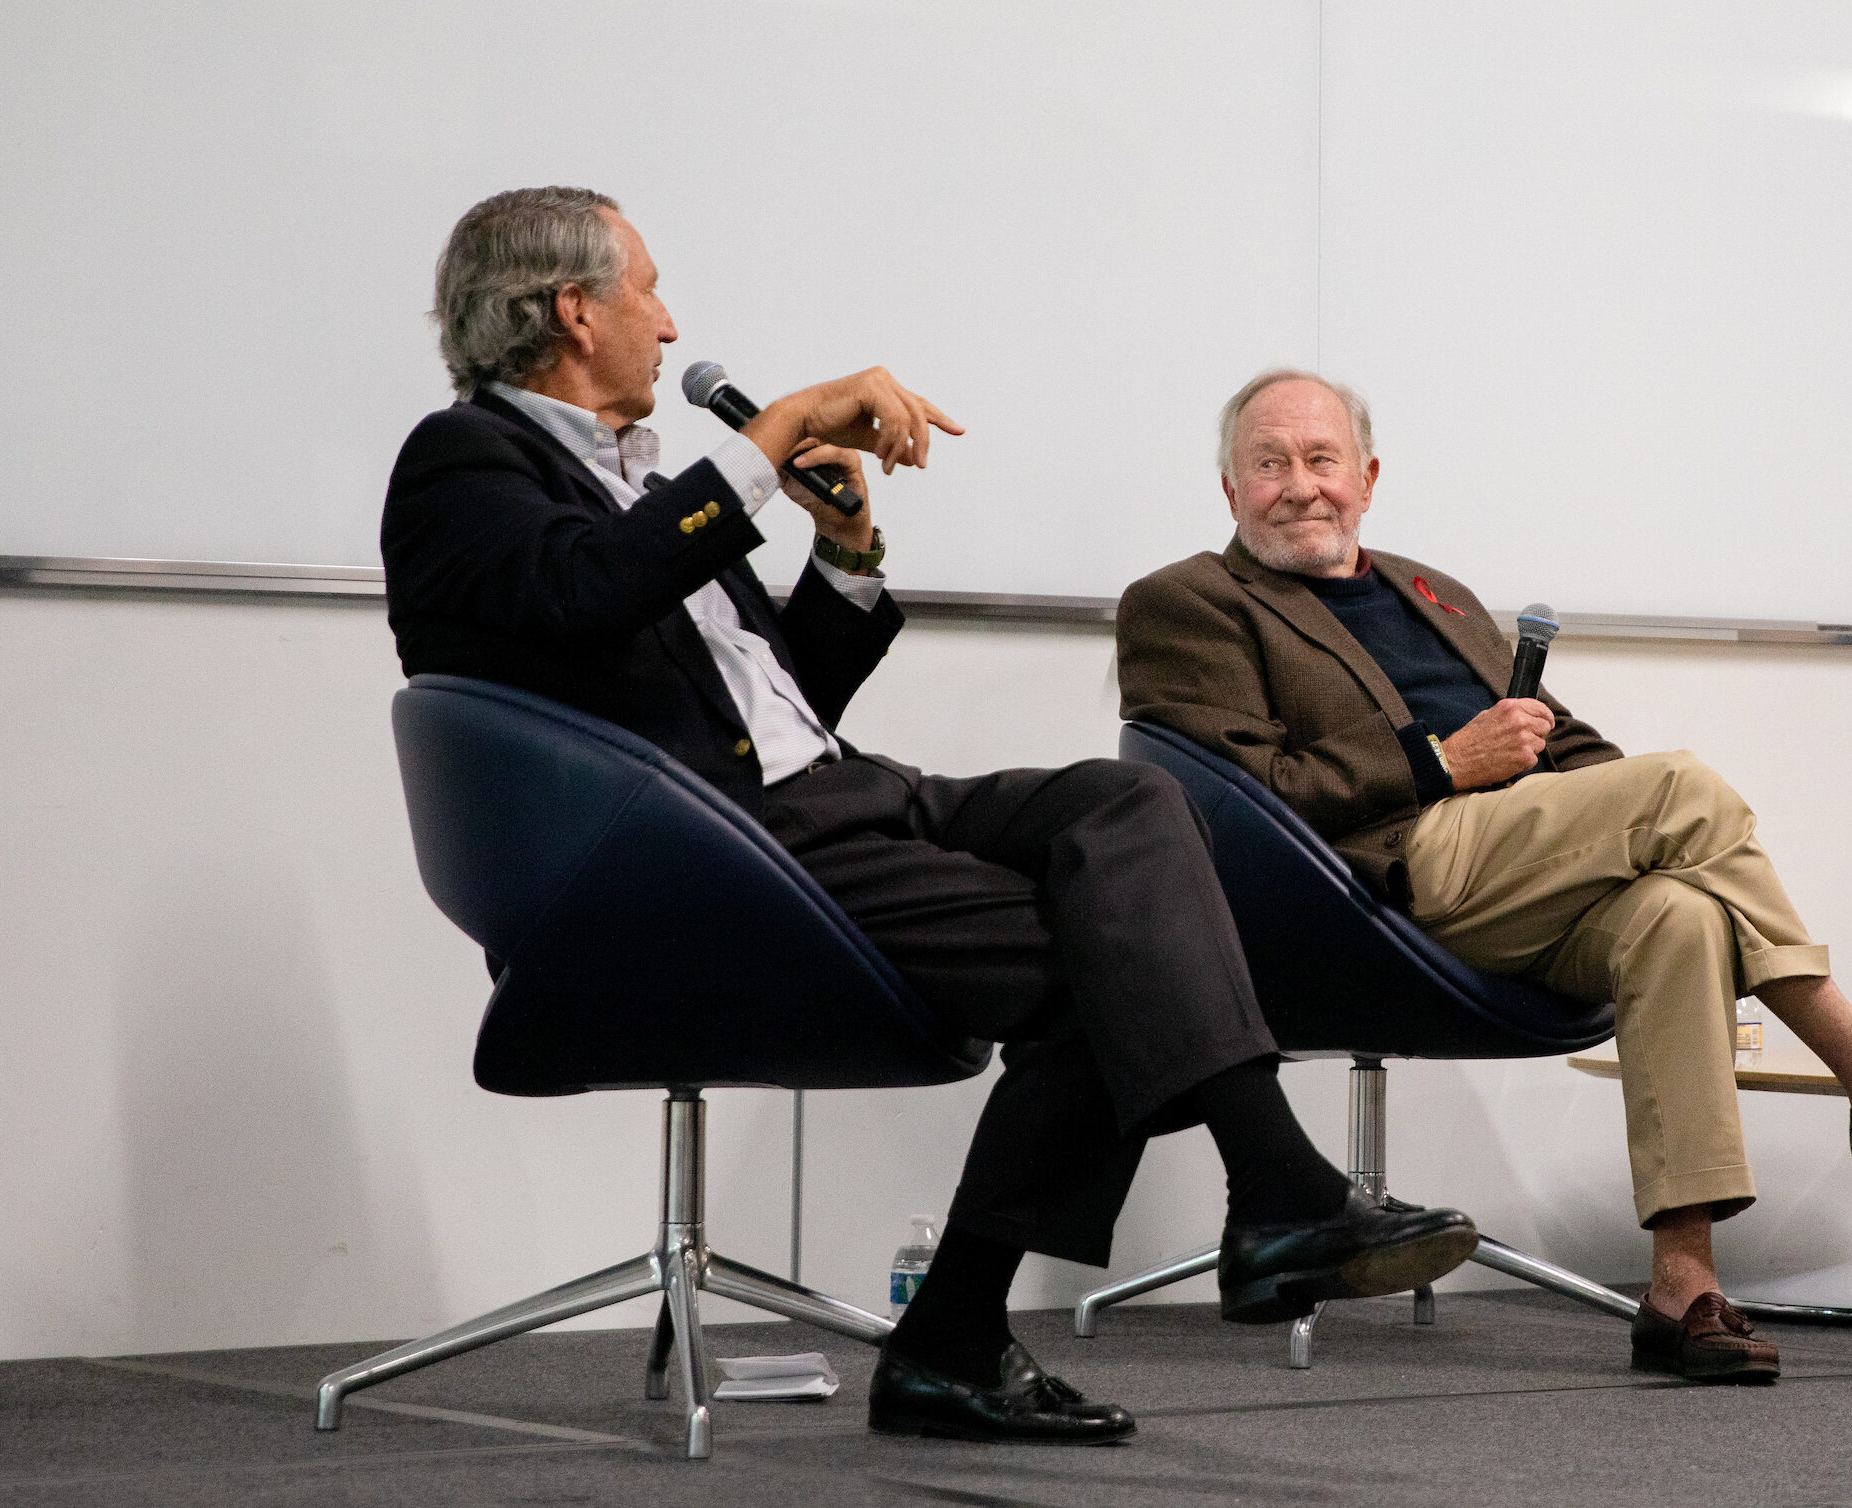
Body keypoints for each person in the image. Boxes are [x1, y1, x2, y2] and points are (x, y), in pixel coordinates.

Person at [383, 195, 1483, 1444]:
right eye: (647, 289)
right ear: (575, 310)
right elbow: (586, 597)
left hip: (828, 800)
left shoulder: (642, 484)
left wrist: (845, 551)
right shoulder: (463, 461)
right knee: (1102, 955)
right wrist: (767, 441)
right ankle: (1169, 1240)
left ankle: (1243, 1211)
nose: (670, 318)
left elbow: (769, 699)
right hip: (702, 852)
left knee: (1127, 803)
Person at [1115, 369, 1852, 1384]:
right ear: (1229, 487)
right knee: (1683, 789)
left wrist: (1606, 815)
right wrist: (1446, 761)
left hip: (1511, 868)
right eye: (1269, 463)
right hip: (1376, 877)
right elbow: (1237, 793)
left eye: (1321, 460)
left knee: (1676, 913)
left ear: (1366, 476)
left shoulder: (1428, 589)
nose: (1300, 486)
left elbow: (1569, 742)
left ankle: (1680, 1282)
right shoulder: (1189, 601)